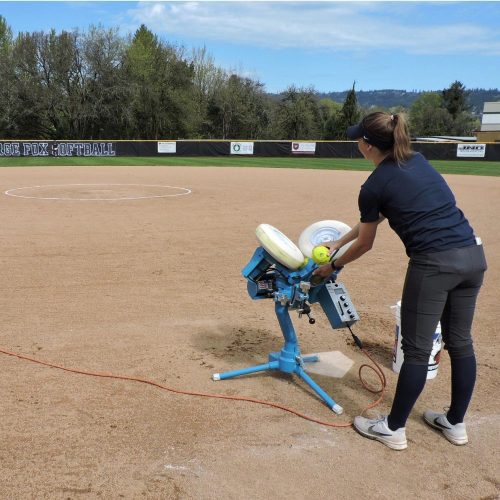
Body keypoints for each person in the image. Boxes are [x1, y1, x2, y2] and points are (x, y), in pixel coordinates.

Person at [313, 112, 487, 451]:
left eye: (358, 138)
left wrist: (332, 265)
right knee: (461, 343)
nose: (356, 143)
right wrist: (339, 241)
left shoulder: (373, 185)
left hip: (434, 264)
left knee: (417, 351)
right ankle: (455, 423)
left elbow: (366, 243)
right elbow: (373, 219)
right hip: (471, 257)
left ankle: (393, 429)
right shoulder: (416, 161)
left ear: (368, 145)